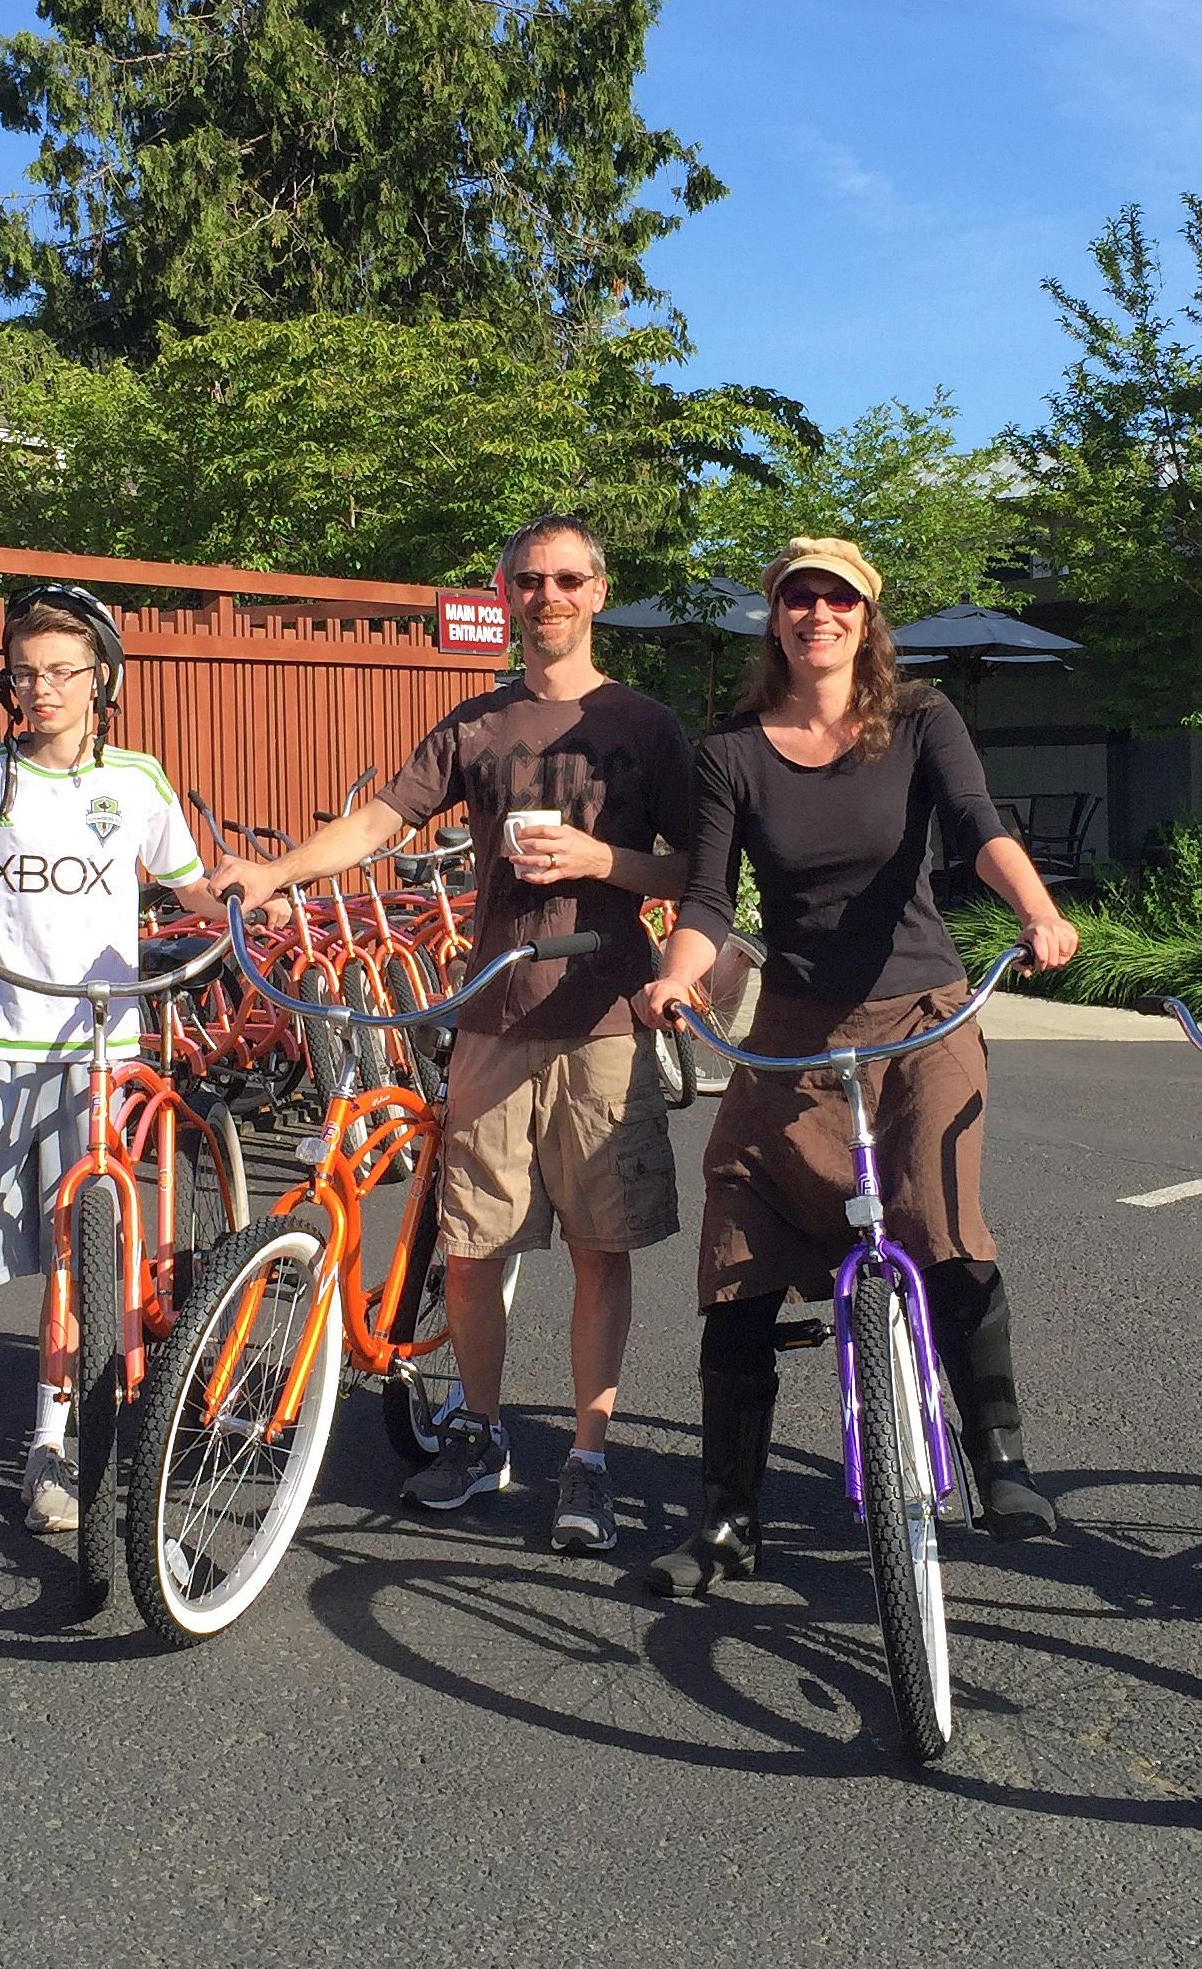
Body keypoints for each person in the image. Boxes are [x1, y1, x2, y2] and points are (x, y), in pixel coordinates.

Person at [212, 515, 692, 1556]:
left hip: (603, 1020)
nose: (549, 597)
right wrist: (276, 871)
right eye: (530, 581)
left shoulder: (648, 728)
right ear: (505, 592)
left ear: (598, 592)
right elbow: (380, 820)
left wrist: (603, 864)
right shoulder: (475, 726)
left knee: (601, 1252)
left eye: (568, 580)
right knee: (470, 1251)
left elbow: (696, 874)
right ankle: (482, 1432)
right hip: (492, 1018)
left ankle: (591, 1459)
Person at [631, 537, 1078, 1595]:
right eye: (797, 598)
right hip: (792, 1029)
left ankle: (1002, 1465)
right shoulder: (730, 748)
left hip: (921, 1013)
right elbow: (705, 897)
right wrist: (679, 976)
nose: (817, 614)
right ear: (774, 619)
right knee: (735, 1240)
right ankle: (728, 1521)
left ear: (867, 619)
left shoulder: (921, 719)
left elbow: (975, 827)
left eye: (839, 598)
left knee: (941, 1212)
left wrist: (1038, 910)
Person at [0, 582, 240, 1547]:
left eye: (62, 672)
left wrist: (247, 907)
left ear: (101, 680)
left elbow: (189, 886)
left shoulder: (141, 783)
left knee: (78, 1265)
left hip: (101, 1052)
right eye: (26, 673)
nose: (42, 689)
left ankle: (48, 1447)